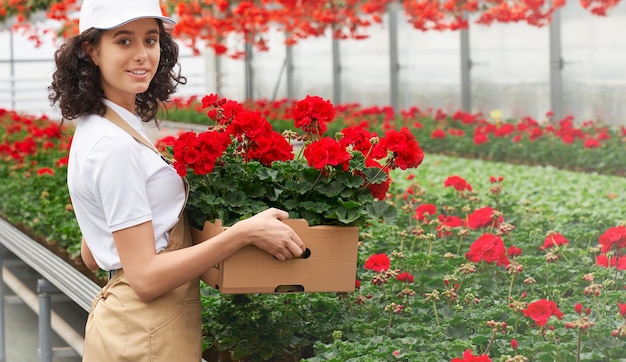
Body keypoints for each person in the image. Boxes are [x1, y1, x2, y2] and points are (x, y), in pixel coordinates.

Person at [48, 0, 305, 360]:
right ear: (91, 50)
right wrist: (244, 233)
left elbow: (92, 254)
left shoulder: (103, 125)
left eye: (150, 40)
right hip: (145, 336)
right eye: (124, 41)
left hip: (133, 326)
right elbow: (147, 278)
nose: (142, 55)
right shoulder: (114, 146)